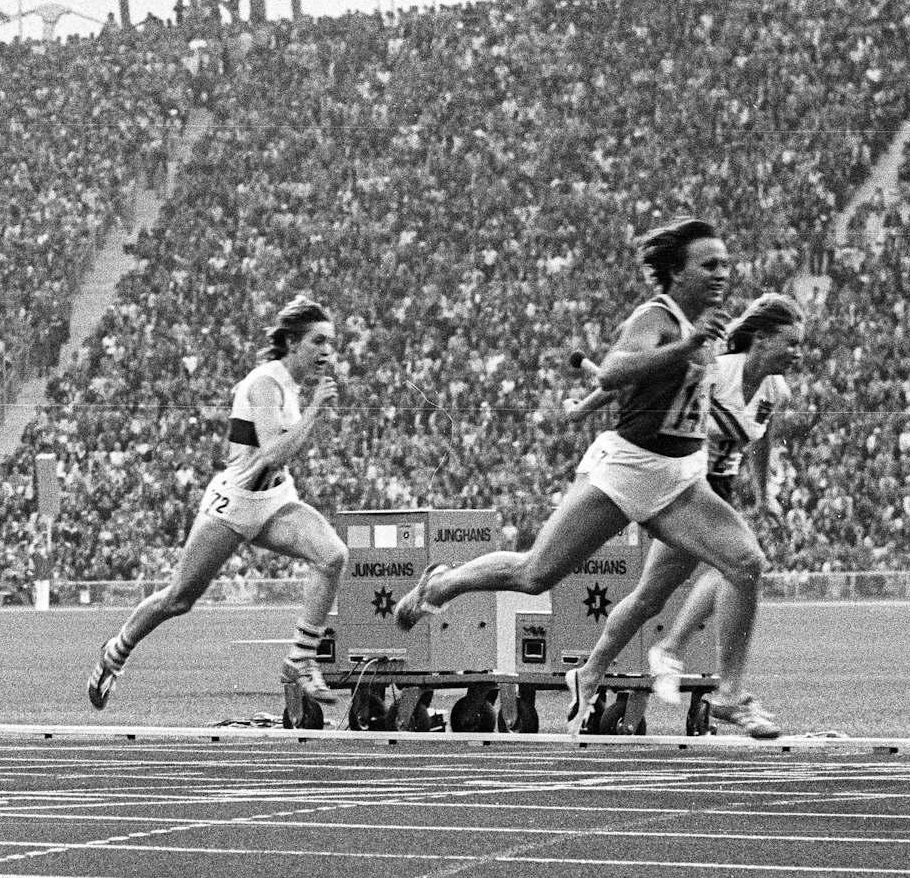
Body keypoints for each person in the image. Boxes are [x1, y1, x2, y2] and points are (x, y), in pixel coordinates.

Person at [395, 219, 778, 738]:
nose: (721, 274)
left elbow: (645, 388)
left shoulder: (708, 326)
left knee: (745, 562)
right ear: (675, 271)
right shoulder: (657, 318)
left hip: (681, 479)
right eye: (709, 264)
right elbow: (614, 370)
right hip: (625, 470)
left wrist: (593, 403)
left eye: (725, 264)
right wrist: (682, 348)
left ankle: (731, 696)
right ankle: (443, 583)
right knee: (536, 575)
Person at [86, 295, 347, 712]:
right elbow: (271, 454)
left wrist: (310, 409)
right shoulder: (265, 382)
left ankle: (300, 660)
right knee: (179, 598)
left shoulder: (294, 387)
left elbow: (278, 462)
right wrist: (315, 413)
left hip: (274, 500)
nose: (328, 351)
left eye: (331, 342)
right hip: (236, 503)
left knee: (332, 556)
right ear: (293, 343)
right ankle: (115, 652)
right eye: (319, 341)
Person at [565, 294, 805, 720]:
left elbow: (762, 437)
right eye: (792, 343)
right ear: (762, 340)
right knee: (735, 565)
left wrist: (764, 490)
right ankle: (681, 657)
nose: (799, 353)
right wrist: (583, 408)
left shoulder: (774, 389)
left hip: (716, 491)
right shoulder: (720, 370)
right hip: (681, 485)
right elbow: (630, 384)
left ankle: (590, 672)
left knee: (650, 598)